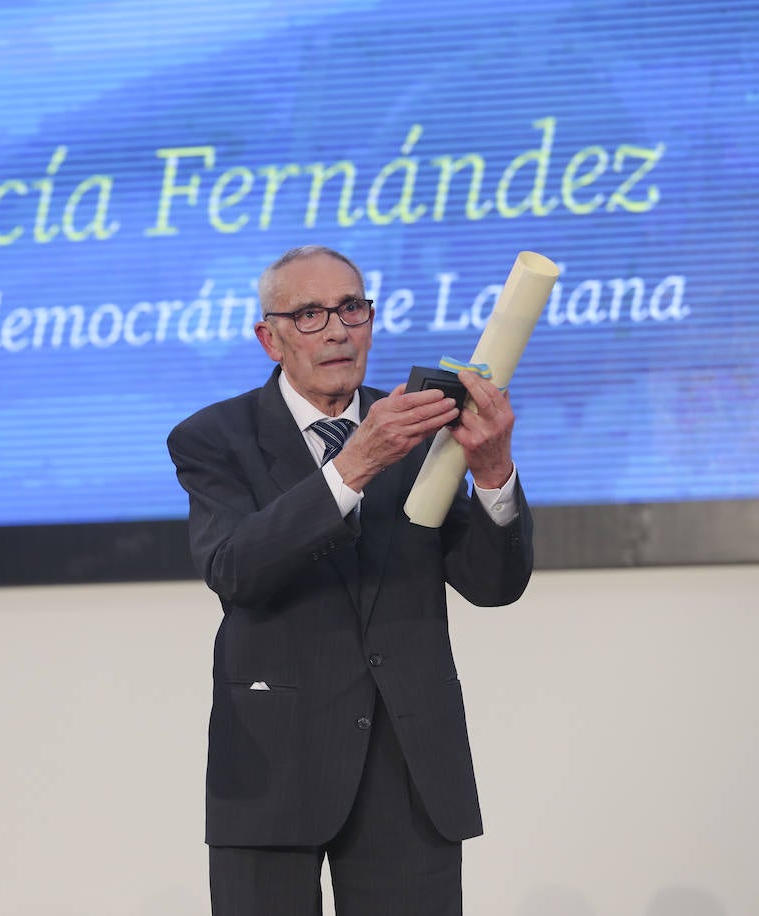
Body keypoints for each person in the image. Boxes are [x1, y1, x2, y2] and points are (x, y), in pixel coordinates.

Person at [166, 245, 533, 916]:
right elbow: (235, 570)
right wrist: (352, 467)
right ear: (268, 338)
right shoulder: (213, 438)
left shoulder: (420, 428)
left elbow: (491, 584)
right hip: (274, 764)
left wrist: (493, 473)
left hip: (409, 763)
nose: (337, 329)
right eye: (309, 314)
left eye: (351, 308)